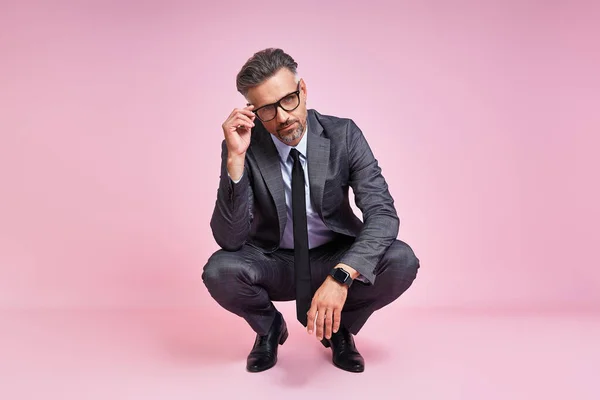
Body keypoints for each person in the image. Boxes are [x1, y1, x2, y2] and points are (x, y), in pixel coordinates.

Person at [202, 48, 420, 373]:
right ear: (253, 111)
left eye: (288, 100)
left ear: (302, 90)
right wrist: (235, 158)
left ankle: (340, 328)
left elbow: (383, 215)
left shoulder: (343, 135)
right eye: (267, 109)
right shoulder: (244, 144)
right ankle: (269, 329)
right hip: (274, 260)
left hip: (333, 257)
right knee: (220, 269)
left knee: (401, 260)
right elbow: (229, 239)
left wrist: (342, 275)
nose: (282, 117)